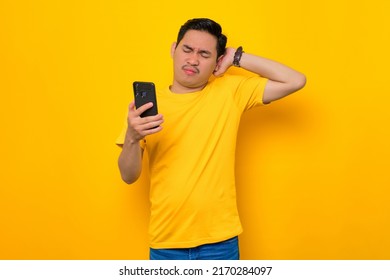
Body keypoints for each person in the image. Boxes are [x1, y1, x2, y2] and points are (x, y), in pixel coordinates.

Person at [116, 18, 306, 260]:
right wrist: (132, 137)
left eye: (204, 54)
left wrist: (236, 57)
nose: (193, 59)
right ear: (174, 50)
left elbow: (295, 80)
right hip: (166, 242)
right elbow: (128, 176)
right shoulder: (145, 108)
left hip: (220, 242)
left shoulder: (230, 92)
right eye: (187, 49)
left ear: (217, 61)